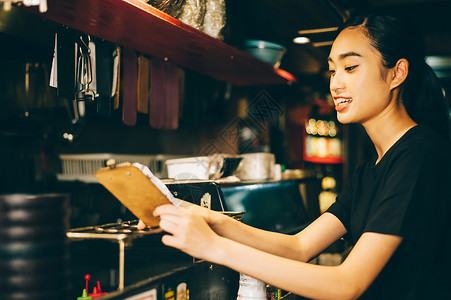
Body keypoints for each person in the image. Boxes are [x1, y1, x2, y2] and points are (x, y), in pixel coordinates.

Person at [140, 12, 451, 299]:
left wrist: (213, 247)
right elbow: (299, 246)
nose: (335, 83)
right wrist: (207, 218)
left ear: (397, 73)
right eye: (332, 70)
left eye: (351, 67)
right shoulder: (371, 169)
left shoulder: (420, 154)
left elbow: (347, 284)